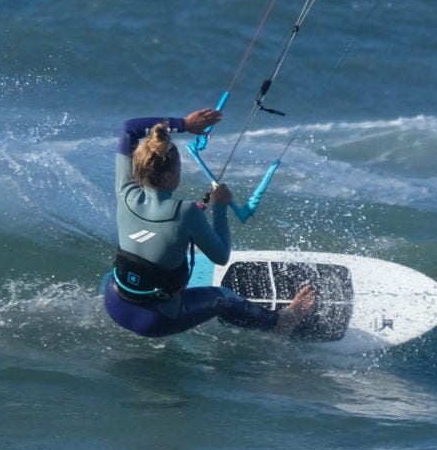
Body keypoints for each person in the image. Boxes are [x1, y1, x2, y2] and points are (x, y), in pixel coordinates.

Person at [103, 106, 317, 339]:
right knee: (222, 298)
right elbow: (221, 256)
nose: (180, 172)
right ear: (167, 177)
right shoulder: (185, 212)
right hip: (156, 320)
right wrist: (220, 207)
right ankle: (280, 322)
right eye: (179, 168)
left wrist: (183, 124)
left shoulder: (124, 191)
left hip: (115, 304)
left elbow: (129, 129)